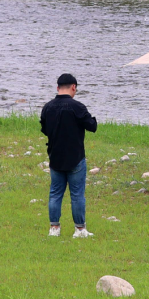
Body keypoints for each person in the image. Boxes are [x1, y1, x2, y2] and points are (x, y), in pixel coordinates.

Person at [40, 73, 98, 238]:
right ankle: (80, 230)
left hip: (55, 156)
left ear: (57, 88)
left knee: (55, 193)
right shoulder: (78, 107)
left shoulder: (47, 107)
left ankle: (54, 229)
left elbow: (44, 129)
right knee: (77, 194)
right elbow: (92, 126)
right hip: (75, 158)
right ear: (74, 87)